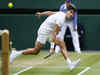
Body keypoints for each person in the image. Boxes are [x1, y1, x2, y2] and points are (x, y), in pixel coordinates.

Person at [10, 6, 80, 71]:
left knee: (61, 43)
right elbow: (55, 32)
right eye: (70, 12)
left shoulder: (61, 14)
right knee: (35, 51)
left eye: (73, 14)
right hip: (43, 31)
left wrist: (41, 14)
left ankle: (70, 64)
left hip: (49, 32)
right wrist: (52, 48)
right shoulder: (61, 19)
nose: (71, 15)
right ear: (67, 11)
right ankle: (16, 53)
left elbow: (50, 13)